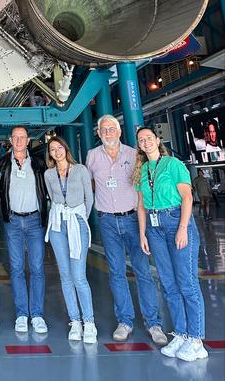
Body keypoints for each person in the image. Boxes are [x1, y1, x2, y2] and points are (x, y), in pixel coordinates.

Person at [85, 115, 167, 345]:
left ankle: (154, 323)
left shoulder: (133, 155)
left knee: (142, 271)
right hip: (108, 221)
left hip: (133, 219)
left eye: (112, 129)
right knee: (117, 272)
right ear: (98, 133)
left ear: (119, 131)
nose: (108, 133)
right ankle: (125, 321)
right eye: (104, 130)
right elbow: (90, 184)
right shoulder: (92, 156)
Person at [134, 126, 208, 362]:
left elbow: (187, 197)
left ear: (157, 140)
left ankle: (196, 340)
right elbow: (141, 206)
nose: (145, 142)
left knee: (187, 283)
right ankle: (182, 333)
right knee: (168, 284)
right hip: (154, 228)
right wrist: (143, 234)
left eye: (148, 138)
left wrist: (183, 228)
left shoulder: (174, 165)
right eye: (141, 140)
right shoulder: (143, 170)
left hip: (176, 219)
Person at [45, 136, 96, 343]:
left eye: (59, 148)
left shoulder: (81, 170)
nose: (57, 152)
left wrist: (80, 218)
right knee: (65, 276)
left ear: (65, 149)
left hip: (77, 222)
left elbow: (89, 198)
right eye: (52, 149)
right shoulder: (49, 174)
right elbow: (52, 197)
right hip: (57, 225)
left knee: (79, 276)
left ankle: (89, 322)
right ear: (49, 154)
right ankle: (75, 322)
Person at [0, 126, 48, 334]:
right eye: (15, 137)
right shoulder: (2, 164)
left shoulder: (38, 163)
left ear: (28, 141)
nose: (19, 140)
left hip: (35, 220)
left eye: (22, 137)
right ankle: (21, 314)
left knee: (37, 269)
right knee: (17, 269)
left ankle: (36, 314)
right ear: (10, 140)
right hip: (13, 222)